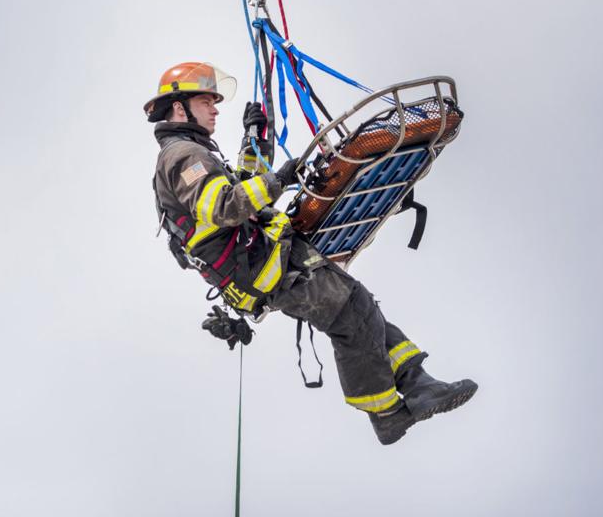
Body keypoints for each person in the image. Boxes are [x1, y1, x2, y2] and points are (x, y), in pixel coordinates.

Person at [146, 61, 477, 445]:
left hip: (264, 260)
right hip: (259, 266)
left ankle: (418, 382)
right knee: (348, 311)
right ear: (179, 107)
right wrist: (278, 181)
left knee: (358, 303)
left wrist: (255, 137)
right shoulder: (183, 155)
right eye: (207, 101)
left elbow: (241, 184)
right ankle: (386, 413)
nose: (216, 108)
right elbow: (226, 205)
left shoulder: (195, 152)